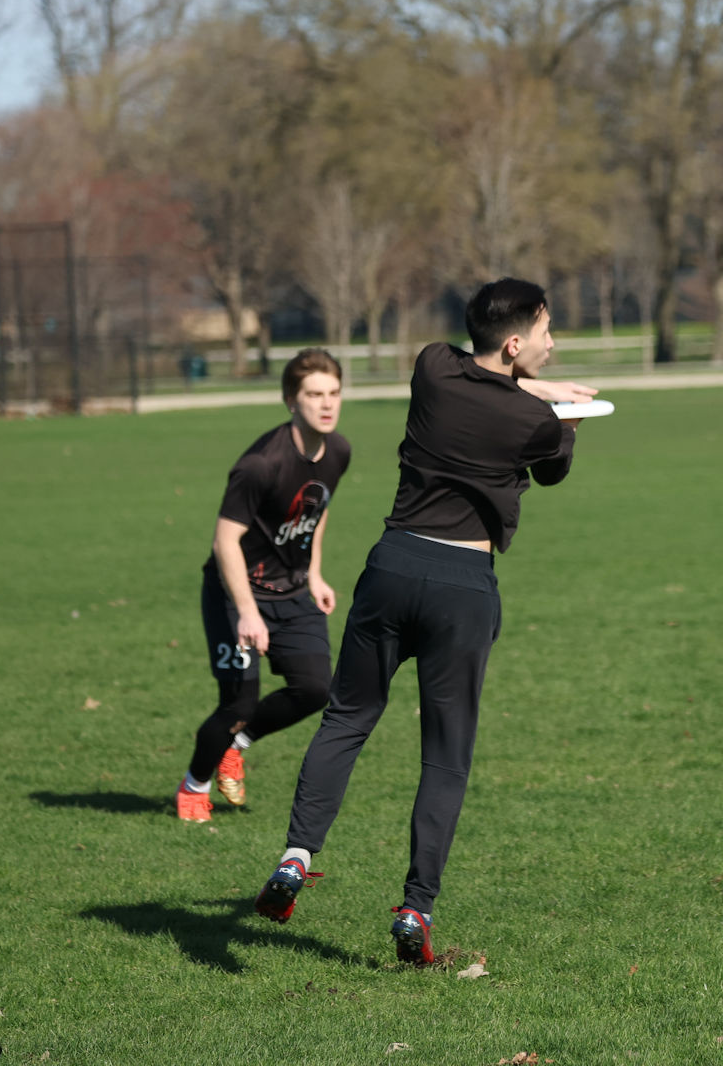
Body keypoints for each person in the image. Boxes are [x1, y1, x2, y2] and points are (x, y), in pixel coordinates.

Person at [253, 278, 593, 965]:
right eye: (546, 331)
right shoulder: (537, 425)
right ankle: (416, 907)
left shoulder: (432, 366)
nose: (554, 344)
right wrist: (561, 415)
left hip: (391, 568)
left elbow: (479, 378)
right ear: (516, 343)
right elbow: (552, 471)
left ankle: (295, 857)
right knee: (444, 754)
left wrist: (539, 390)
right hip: (462, 588)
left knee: (346, 719)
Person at [177, 349, 349, 822]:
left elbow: (318, 508)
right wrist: (247, 612)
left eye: (334, 393)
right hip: (236, 593)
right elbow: (224, 541)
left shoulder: (338, 451)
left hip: (292, 590)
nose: (327, 404)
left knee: (315, 688)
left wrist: (314, 572)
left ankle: (236, 746)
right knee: (238, 703)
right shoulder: (260, 465)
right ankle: (194, 785)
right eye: (314, 394)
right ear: (291, 400)